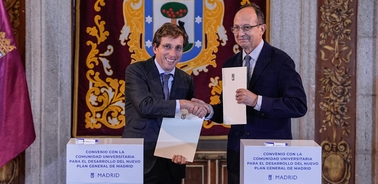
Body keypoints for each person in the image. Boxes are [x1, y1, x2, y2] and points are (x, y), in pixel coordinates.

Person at [193, 3, 307, 184]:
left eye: (247, 27)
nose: (240, 33)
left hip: (270, 159)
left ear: (262, 29)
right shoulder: (231, 63)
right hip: (238, 156)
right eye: (236, 28)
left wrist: (257, 101)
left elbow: (298, 106)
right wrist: (208, 111)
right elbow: (230, 110)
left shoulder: (281, 61)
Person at [121, 22, 209, 184]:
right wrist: (183, 103)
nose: (173, 53)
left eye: (178, 48)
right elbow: (145, 106)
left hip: (172, 162)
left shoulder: (186, 79)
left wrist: (184, 149)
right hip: (140, 159)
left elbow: (186, 120)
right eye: (167, 46)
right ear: (155, 48)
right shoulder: (136, 71)